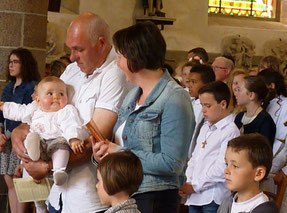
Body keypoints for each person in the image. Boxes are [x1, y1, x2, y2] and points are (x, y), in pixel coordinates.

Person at [11, 13, 131, 213]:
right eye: (71, 49)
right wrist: (20, 129)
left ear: (101, 43)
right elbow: (46, 106)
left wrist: (47, 167)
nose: (72, 57)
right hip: (57, 194)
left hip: (87, 196)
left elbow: (95, 137)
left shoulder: (114, 73)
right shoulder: (72, 70)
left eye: (78, 49)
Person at [93, 21, 195, 213]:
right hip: (128, 192)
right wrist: (103, 152)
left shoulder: (174, 97)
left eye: (121, 56)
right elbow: (121, 144)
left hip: (156, 195)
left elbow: (172, 163)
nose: (118, 63)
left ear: (135, 58)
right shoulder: (133, 95)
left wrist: (121, 153)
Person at [0, 76, 88, 185]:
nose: (56, 97)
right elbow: (20, 111)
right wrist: (5, 107)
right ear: (38, 99)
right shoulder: (34, 108)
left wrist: (73, 139)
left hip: (56, 141)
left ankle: (59, 171)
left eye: (61, 94)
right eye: (50, 94)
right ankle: (31, 161)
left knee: (62, 148)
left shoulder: (66, 110)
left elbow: (70, 124)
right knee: (31, 140)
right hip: (39, 141)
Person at [179, 81, 240, 213]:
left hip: (212, 196)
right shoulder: (206, 126)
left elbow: (222, 167)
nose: (203, 110)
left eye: (207, 105)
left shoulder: (230, 130)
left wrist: (194, 186)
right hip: (195, 194)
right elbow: (195, 157)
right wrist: (188, 182)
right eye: (201, 105)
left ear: (223, 104)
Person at [0, 48, 40, 213]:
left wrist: (11, 135)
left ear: (25, 64)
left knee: (19, 182)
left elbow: (28, 115)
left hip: (20, 140)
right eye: (10, 61)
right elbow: (1, 114)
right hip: (5, 140)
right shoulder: (8, 87)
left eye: (15, 61)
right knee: (9, 182)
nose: (11, 65)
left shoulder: (32, 87)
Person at [217, 133, 279, 213]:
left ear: (258, 173)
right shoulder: (227, 202)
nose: (226, 170)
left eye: (235, 166)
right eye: (226, 164)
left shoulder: (265, 210)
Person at [234, 76, 276, 146]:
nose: (236, 94)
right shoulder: (239, 117)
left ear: (251, 95)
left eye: (239, 90)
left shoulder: (265, 121)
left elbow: (264, 152)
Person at [187, 64, 215, 158]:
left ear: (206, 85)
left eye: (194, 82)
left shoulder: (207, 107)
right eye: (189, 81)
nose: (189, 85)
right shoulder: (188, 100)